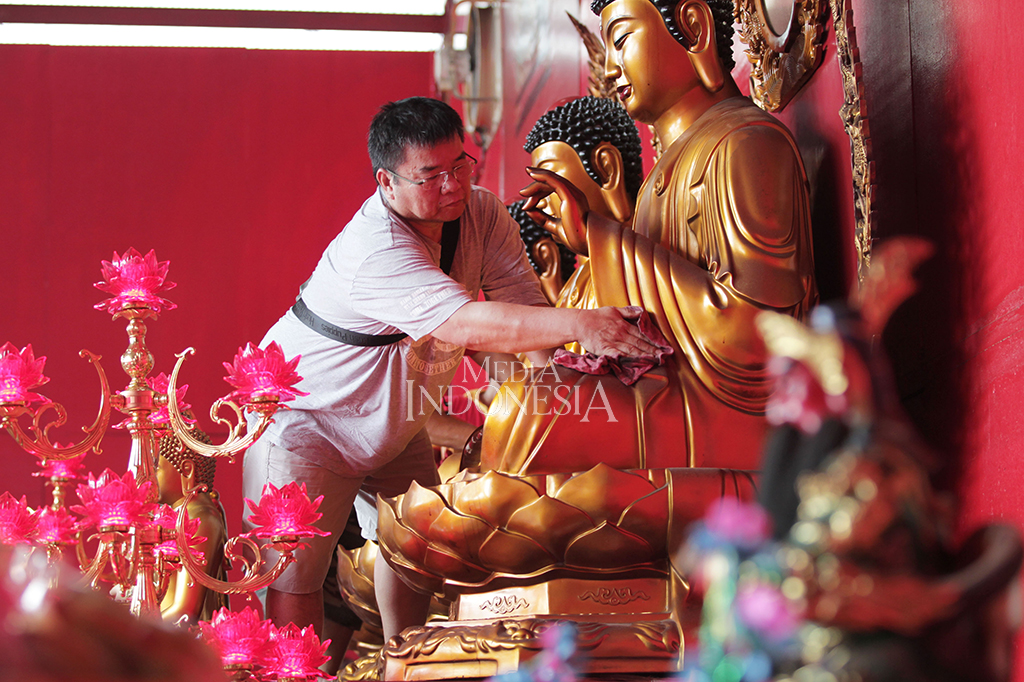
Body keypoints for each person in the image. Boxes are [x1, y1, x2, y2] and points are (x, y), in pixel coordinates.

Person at [242, 96, 659, 644]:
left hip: (394, 424)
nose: (453, 186)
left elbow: (528, 312)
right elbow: (464, 325)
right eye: (430, 175)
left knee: (412, 545)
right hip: (307, 421)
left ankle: (403, 661)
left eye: (460, 165)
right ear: (386, 183)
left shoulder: (481, 212)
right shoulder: (375, 248)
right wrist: (586, 326)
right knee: (294, 576)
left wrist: (558, 407)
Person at [514, 0, 818, 471]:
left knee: (537, 416)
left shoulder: (746, 142)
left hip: (734, 428)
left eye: (620, 39)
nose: (611, 67)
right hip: (671, 405)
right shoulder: (661, 182)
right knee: (530, 407)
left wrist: (600, 237)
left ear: (693, 28)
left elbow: (760, 337)